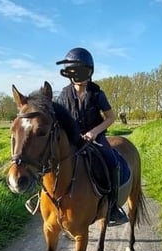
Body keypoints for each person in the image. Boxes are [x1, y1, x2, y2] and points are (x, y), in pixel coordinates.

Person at [55, 47, 129, 226]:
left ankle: (112, 207)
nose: (76, 76)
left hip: (95, 137)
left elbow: (110, 117)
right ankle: (45, 199)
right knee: (51, 160)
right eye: (72, 72)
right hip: (73, 139)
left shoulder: (97, 94)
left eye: (79, 71)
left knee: (111, 161)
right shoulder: (63, 95)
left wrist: (94, 132)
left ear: (88, 71)